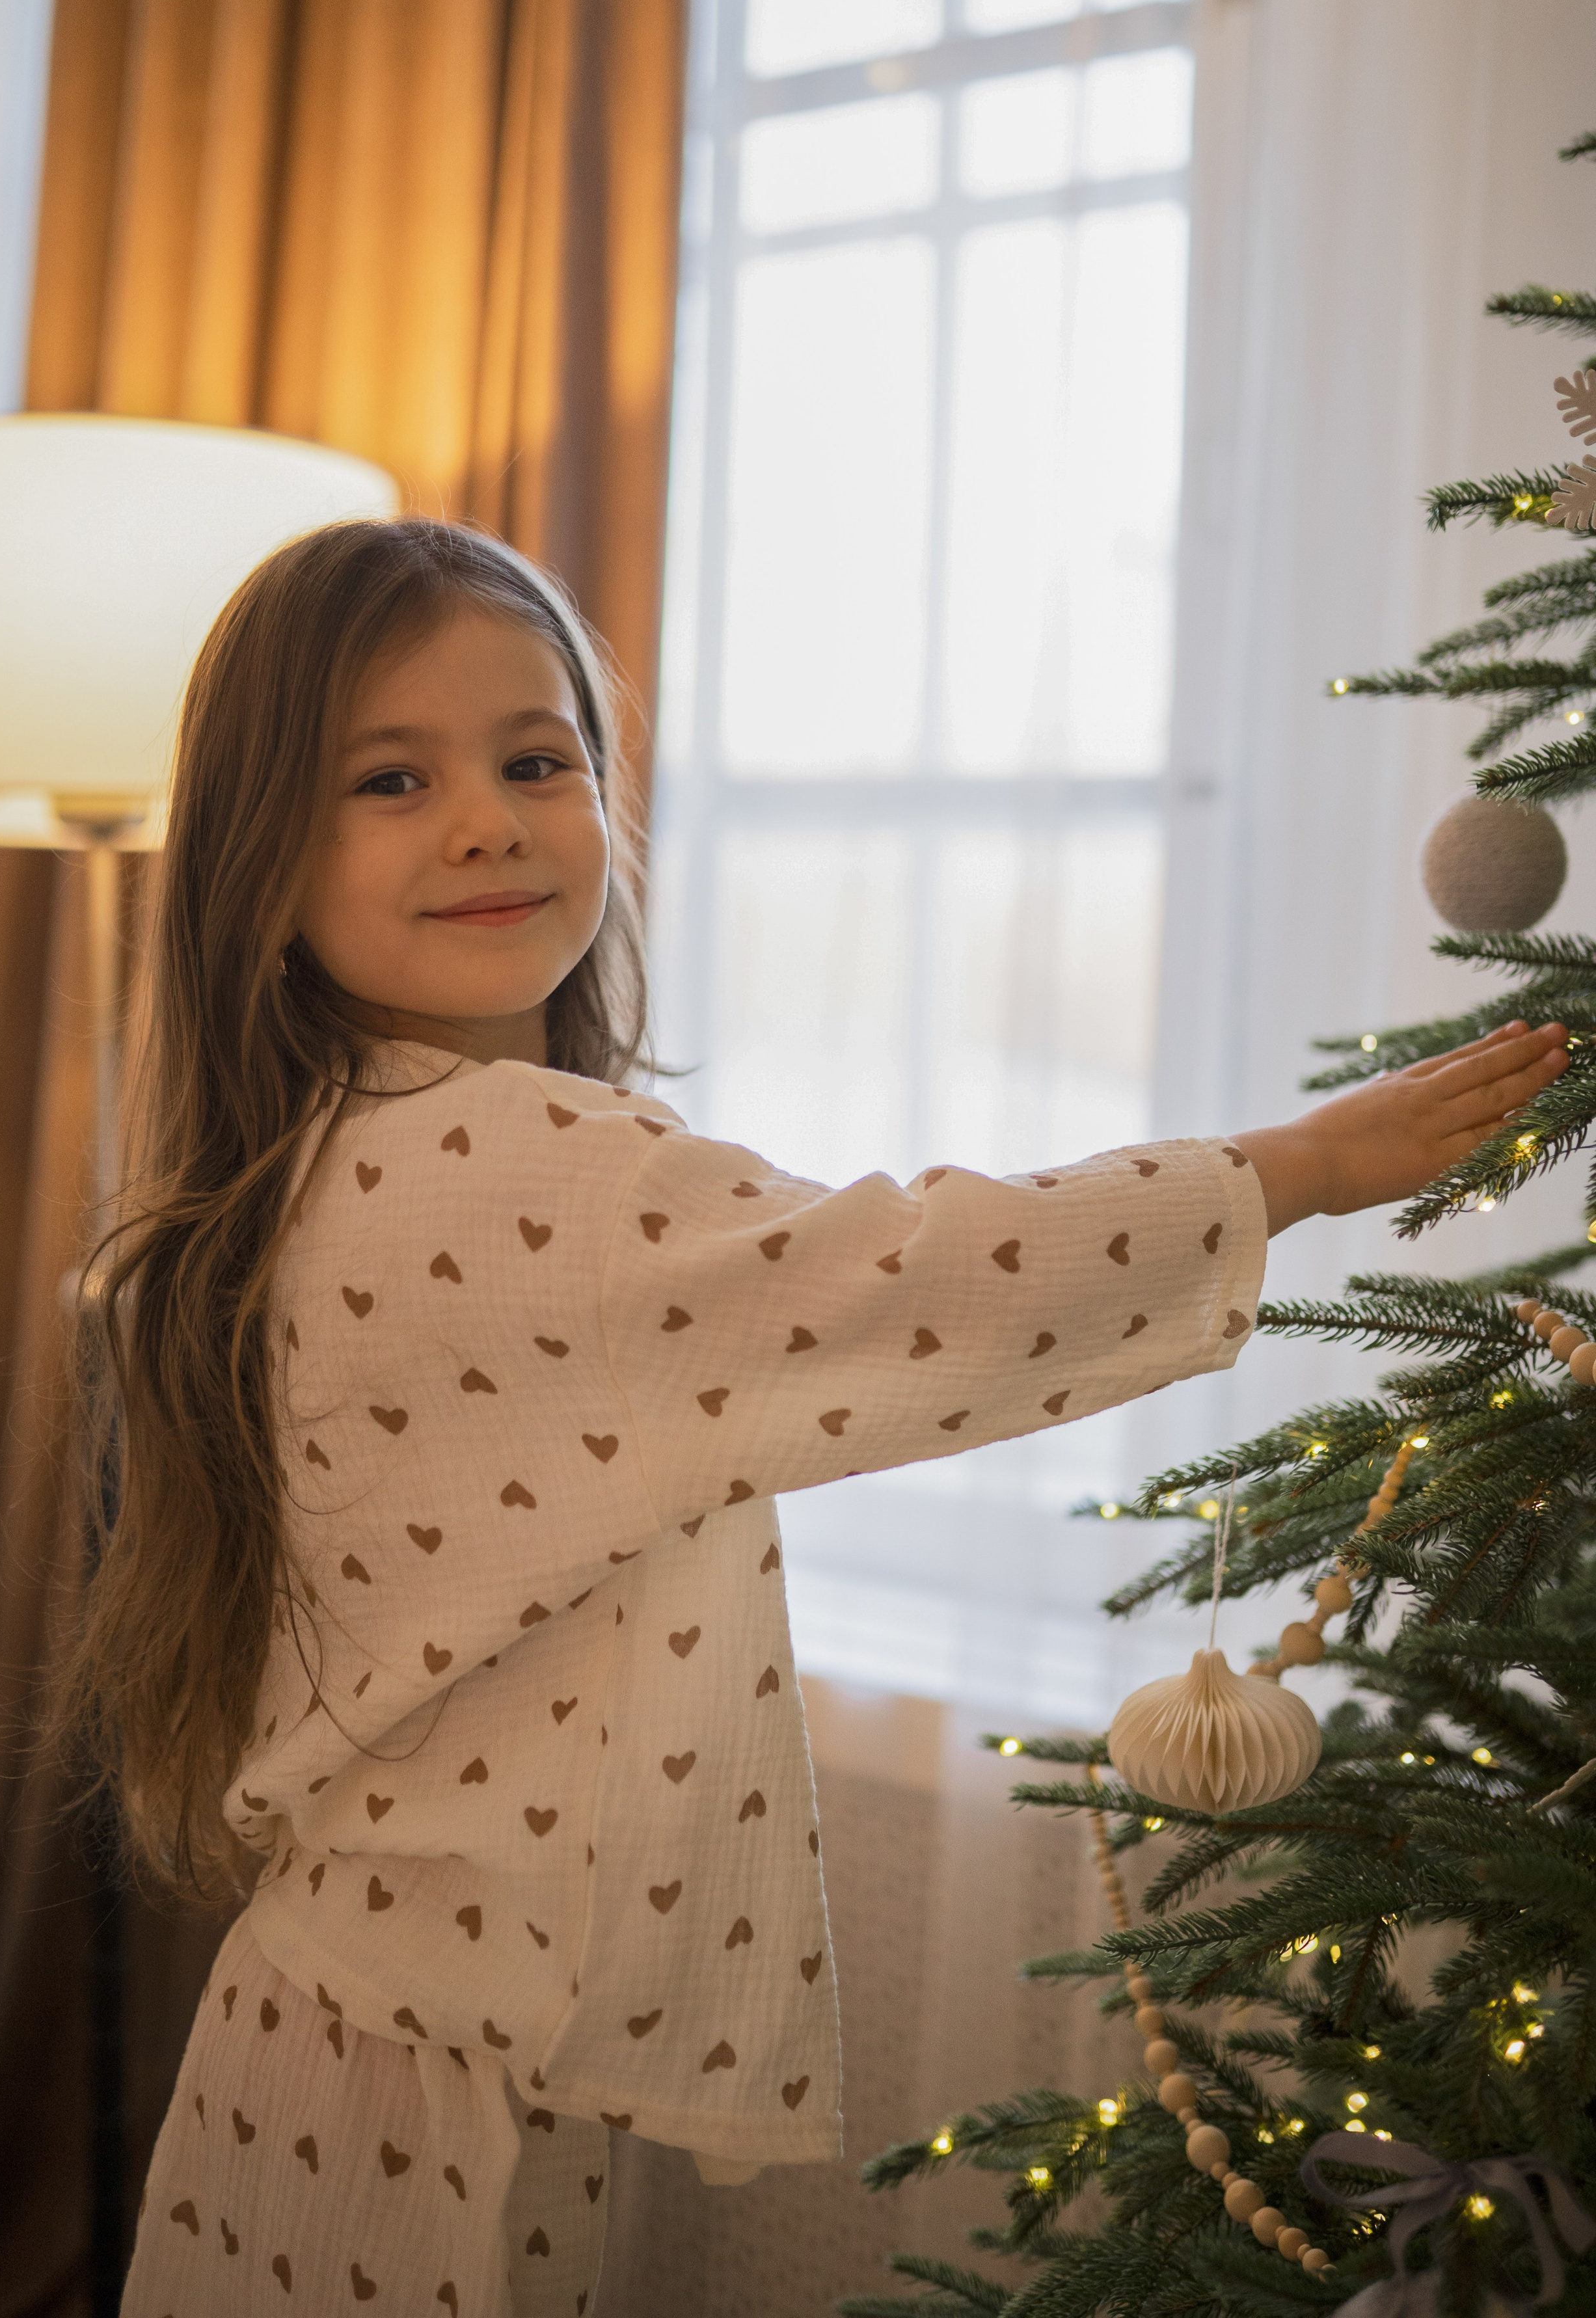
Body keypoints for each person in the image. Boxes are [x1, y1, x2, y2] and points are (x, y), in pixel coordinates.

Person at [81, 517, 1566, 2317]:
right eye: (390, 780)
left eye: (537, 761)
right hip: (419, 2079)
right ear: (259, 858)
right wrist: (1309, 1167)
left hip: (334, 2030)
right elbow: (912, 1274)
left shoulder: (331, 1150)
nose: (487, 819)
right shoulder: (502, 1167)